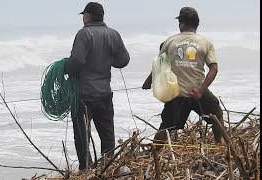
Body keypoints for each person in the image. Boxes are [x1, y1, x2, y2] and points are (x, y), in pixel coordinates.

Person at [142, 7, 224, 149]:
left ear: (181, 22)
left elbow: (159, 65)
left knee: (166, 126)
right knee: (217, 116)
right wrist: (201, 90)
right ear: (197, 24)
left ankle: (154, 155)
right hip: (197, 92)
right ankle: (220, 146)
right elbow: (214, 69)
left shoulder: (170, 41)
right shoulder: (206, 43)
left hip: (177, 94)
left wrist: (148, 82)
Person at [64, 2, 130, 170]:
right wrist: (108, 60)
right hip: (105, 94)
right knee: (107, 134)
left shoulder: (84, 34)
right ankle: (108, 167)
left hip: (84, 96)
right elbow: (124, 60)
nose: (83, 18)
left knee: (82, 136)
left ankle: (86, 169)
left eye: (84, 15)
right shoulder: (113, 34)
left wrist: (65, 69)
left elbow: (77, 60)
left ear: (88, 16)